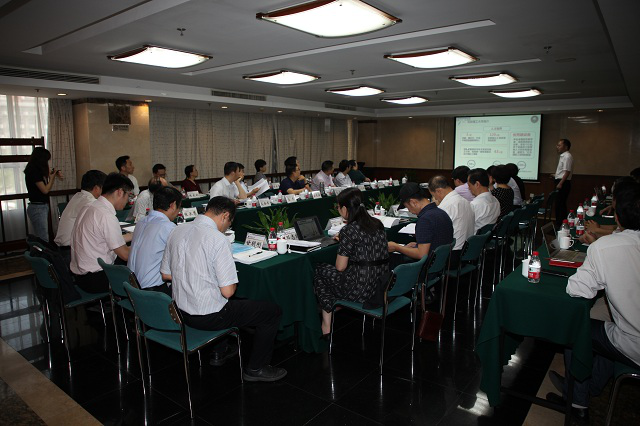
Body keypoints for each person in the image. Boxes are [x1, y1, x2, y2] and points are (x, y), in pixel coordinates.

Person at [160, 196, 286, 381]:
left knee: (229, 302)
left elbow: (165, 274)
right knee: (271, 312)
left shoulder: (176, 230)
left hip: (180, 312)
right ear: (225, 216)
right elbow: (228, 291)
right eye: (229, 223)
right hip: (209, 316)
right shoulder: (218, 239)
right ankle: (256, 368)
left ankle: (219, 352)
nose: (227, 227)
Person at [546, 182, 640, 421]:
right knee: (605, 321)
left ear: (617, 216)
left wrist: (595, 255)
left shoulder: (606, 247)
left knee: (577, 327)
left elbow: (578, 291)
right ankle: (592, 385)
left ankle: (576, 401)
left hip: (634, 343)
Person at [314, 188, 389, 335]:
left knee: (320, 271)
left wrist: (344, 240)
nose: (338, 210)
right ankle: (333, 308)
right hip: (380, 286)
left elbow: (340, 267)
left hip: (361, 290)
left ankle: (326, 324)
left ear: (344, 208)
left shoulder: (349, 230)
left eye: (338, 207)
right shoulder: (377, 223)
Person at [70, 173, 134, 293]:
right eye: (128, 196)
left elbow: (105, 239)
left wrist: (133, 236)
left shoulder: (89, 206)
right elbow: (125, 254)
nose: (127, 201)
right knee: (140, 271)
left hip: (79, 275)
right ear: (120, 192)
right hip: (96, 279)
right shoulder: (106, 215)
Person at [128, 187, 182, 295]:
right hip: (153, 292)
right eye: (179, 207)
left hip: (132, 287)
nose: (178, 212)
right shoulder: (168, 227)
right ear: (173, 205)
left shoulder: (141, 222)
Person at [387, 182, 453, 264]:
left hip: (428, 267)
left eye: (407, 207)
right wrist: (418, 245)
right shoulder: (441, 212)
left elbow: (421, 254)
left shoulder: (425, 220)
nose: (410, 211)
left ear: (413, 202)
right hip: (441, 263)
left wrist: (397, 247)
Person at [428, 175, 475, 267]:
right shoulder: (465, 201)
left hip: (452, 255)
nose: (435, 199)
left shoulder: (445, 207)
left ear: (439, 191)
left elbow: (437, 234)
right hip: (467, 251)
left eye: (434, 195)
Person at [55, 170, 107, 248]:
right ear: (96, 188)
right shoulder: (90, 202)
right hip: (70, 249)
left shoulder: (78, 196)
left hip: (63, 246)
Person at [24, 147, 63, 242]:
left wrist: (56, 172)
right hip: (37, 208)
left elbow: (50, 171)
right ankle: (42, 252)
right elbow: (45, 190)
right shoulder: (34, 171)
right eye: (46, 160)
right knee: (43, 238)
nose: (47, 162)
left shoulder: (34, 169)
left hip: (39, 207)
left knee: (42, 236)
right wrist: (52, 178)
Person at [467, 168, 501, 233]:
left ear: (477, 184)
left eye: (469, 185)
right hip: (486, 236)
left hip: (473, 236)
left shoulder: (475, 205)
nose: (468, 188)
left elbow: (466, 226)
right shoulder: (495, 201)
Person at [551, 139, 573, 227]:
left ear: (566, 147)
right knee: (558, 204)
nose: (557, 147)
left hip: (563, 183)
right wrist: (555, 175)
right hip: (561, 180)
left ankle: (560, 225)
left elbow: (567, 172)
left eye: (559, 145)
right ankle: (559, 224)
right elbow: (563, 172)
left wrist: (560, 183)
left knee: (560, 204)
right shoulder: (563, 156)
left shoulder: (567, 156)